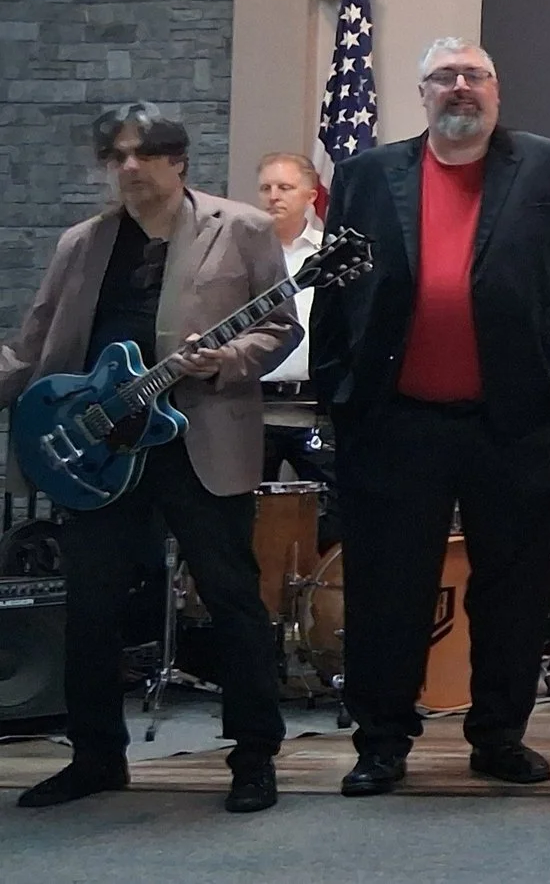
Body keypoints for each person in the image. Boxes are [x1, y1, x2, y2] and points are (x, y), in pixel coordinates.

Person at [313, 37, 550, 797]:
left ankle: (499, 734)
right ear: (422, 94)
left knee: (514, 587)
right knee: (387, 587)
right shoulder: (365, 175)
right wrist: (337, 393)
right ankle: (381, 740)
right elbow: (335, 296)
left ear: (497, 90)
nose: (459, 88)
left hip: (517, 421)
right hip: (393, 422)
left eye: (473, 75)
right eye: (443, 78)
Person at [1, 104, 299, 813]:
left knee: (233, 600)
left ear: (178, 158)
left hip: (199, 441)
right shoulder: (84, 242)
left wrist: (227, 357)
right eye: (115, 156)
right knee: (91, 607)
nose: (128, 167)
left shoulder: (244, 229)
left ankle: (254, 756)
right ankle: (96, 754)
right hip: (101, 451)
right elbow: (39, 340)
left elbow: (280, 325)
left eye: (142, 153)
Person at [255, 151, 332, 485]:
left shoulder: (330, 255)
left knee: (337, 508)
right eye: (266, 188)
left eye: (284, 187)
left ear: (311, 196)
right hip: (252, 410)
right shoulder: (241, 254)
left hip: (315, 408)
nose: (273, 196)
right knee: (245, 515)